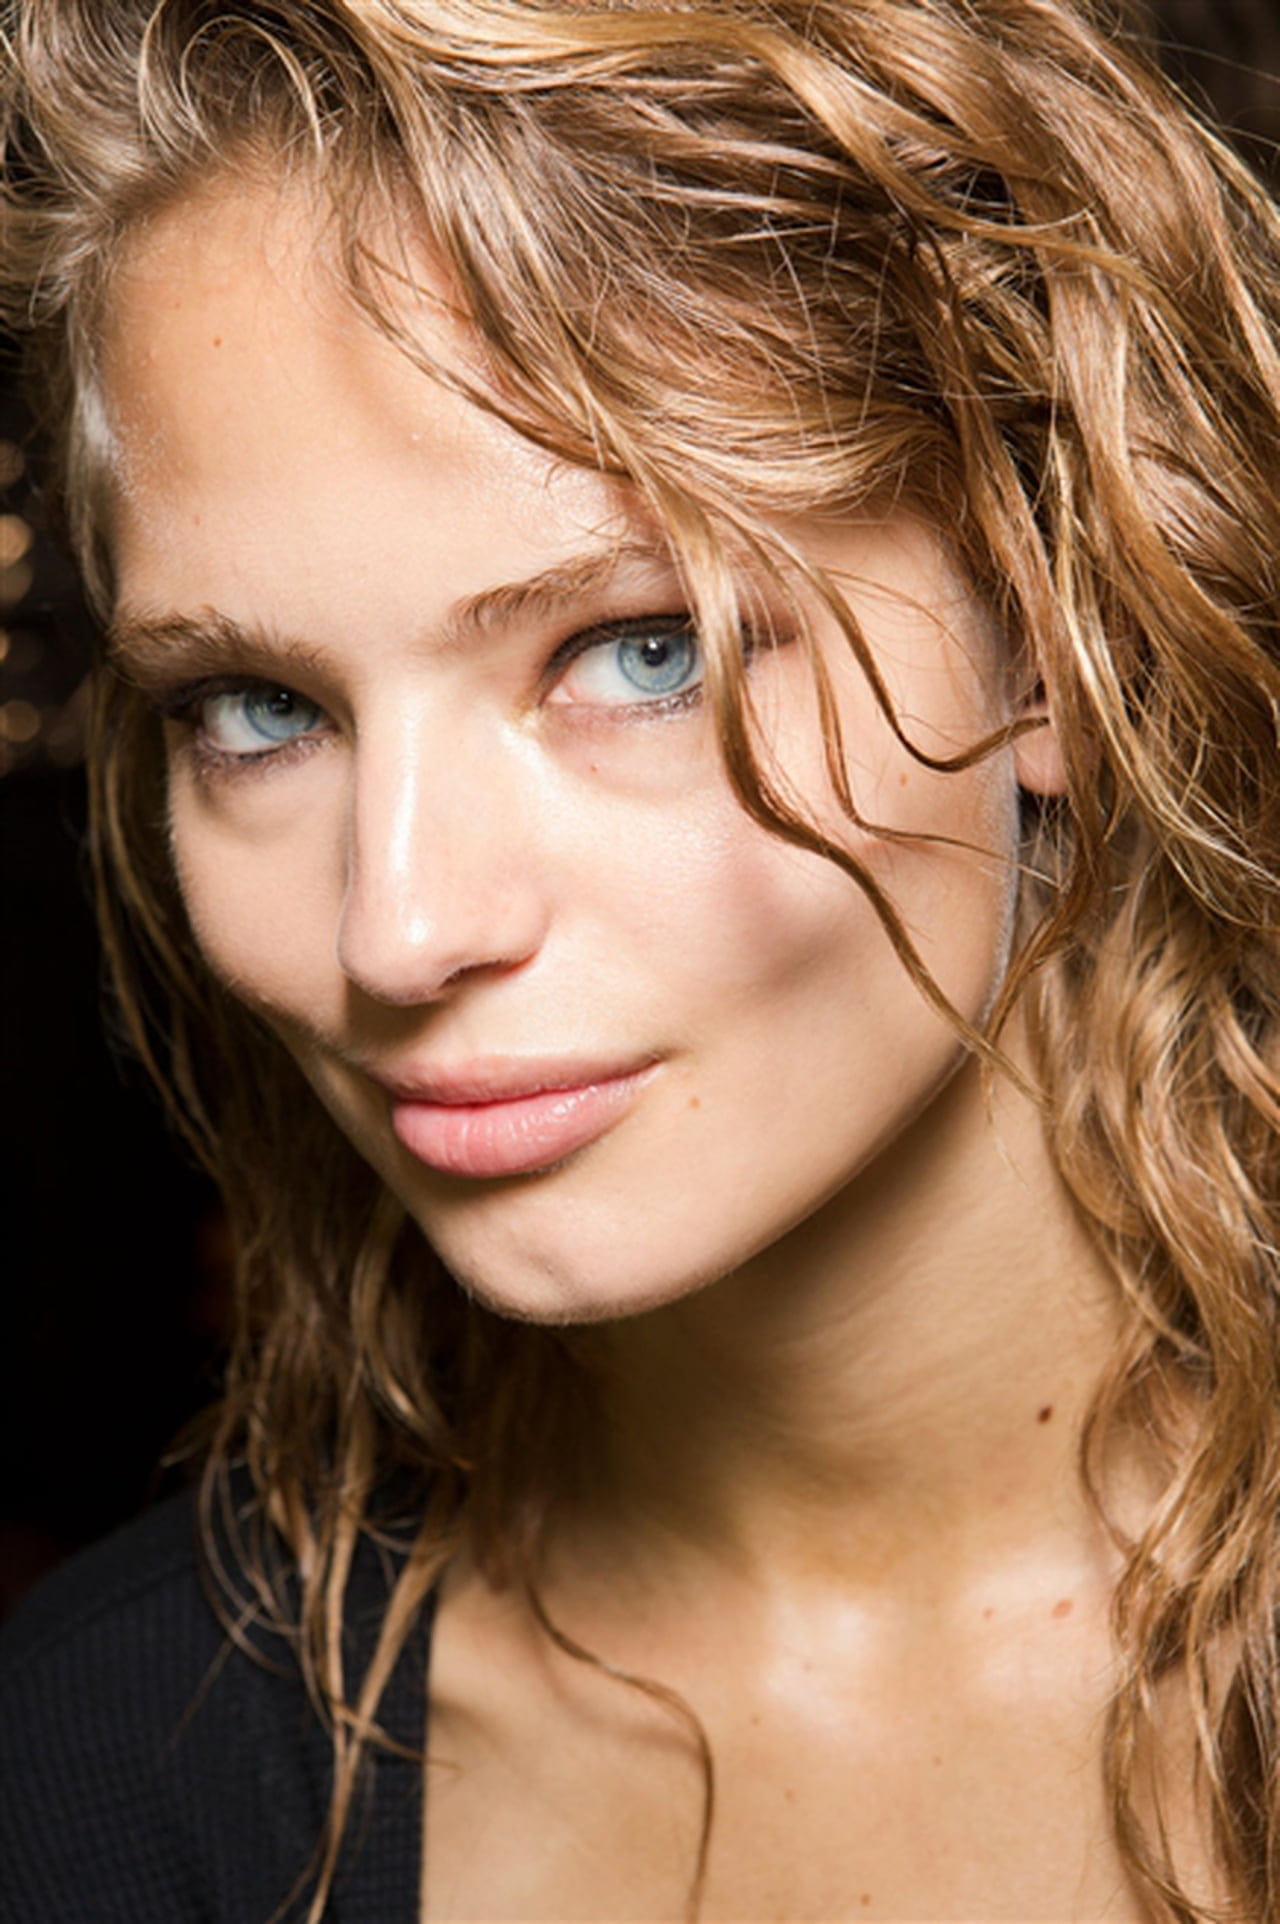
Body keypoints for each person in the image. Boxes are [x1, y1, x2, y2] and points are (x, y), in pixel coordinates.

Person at [2, 0, 1279, 1918]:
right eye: (260, 708)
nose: (397, 929)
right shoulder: (106, 1776)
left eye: (637, 651)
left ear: (1049, 633)